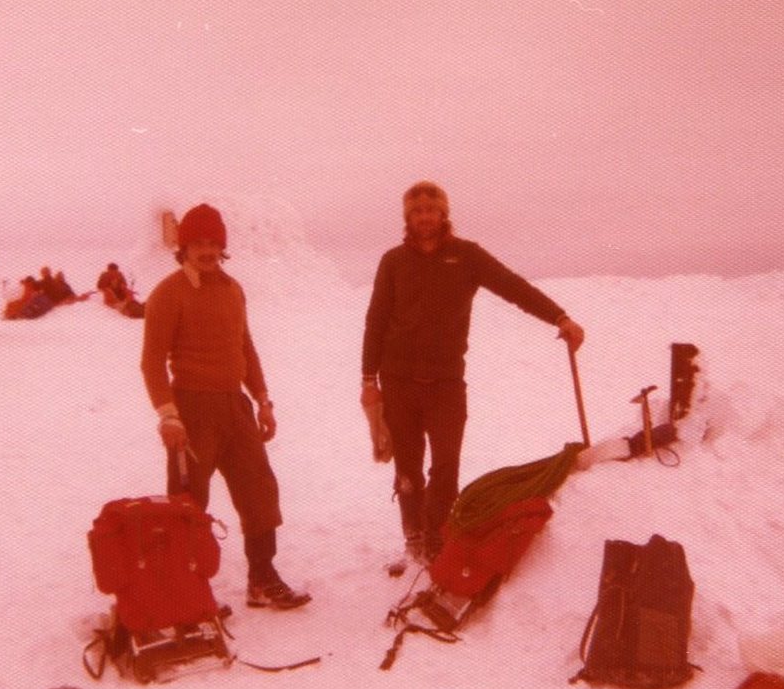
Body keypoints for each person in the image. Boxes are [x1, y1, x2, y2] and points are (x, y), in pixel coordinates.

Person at [361, 181, 585, 565]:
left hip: (446, 381)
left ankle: (437, 534)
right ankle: (414, 534)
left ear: (443, 213)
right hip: (398, 381)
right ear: (407, 218)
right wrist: (369, 381)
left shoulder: (467, 257)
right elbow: (376, 321)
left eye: (431, 210)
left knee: (446, 464)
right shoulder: (393, 261)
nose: (425, 217)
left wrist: (559, 316)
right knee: (408, 466)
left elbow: (513, 286)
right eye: (417, 211)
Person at [141, 202, 310, 609]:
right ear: (184, 247)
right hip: (192, 411)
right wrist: (168, 415)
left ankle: (262, 577)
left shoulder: (233, 289)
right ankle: (186, 589)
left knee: (260, 492)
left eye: (214, 242)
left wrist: (263, 400)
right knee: (188, 503)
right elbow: (152, 362)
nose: (207, 250)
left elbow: (245, 348)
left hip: (236, 408)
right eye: (198, 242)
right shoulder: (168, 294)